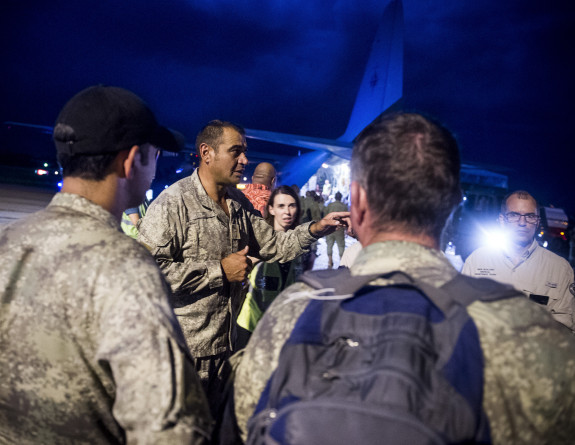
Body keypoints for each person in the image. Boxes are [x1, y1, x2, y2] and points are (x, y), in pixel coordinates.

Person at [229, 112, 575, 444]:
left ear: (359, 201)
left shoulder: (293, 314)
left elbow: (247, 422)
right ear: (452, 205)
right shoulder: (528, 332)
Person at [0, 86, 211, 444]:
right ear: (131, 161)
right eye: (154, 153)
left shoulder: (10, 241)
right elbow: (170, 430)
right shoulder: (125, 266)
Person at [137, 120, 349, 415]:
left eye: (244, 152)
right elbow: (144, 276)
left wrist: (316, 228)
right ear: (206, 153)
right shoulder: (173, 204)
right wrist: (219, 271)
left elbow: (275, 245)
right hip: (181, 358)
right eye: (236, 151)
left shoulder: (237, 203)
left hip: (225, 351)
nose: (244, 160)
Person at [462, 190, 575, 331]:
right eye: (514, 215)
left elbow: (566, 328)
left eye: (530, 216)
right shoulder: (478, 261)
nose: (522, 222)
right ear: (502, 220)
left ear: (537, 221)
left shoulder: (560, 269)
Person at [236, 185, 304, 347]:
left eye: (291, 205)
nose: (287, 212)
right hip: (251, 328)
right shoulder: (258, 242)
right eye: (281, 206)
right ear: (271, 209)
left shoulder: (301, 246)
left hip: (283, 329)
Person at [325, 191, 348, 268]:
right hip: (340, 228)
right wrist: (345, 229)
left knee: (329, 245)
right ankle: (341, 262)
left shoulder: (330, 205)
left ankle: (330, 262)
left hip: (330, 228)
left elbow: (325, 216)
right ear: (340, 197)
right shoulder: (344, 206)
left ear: (335, 197)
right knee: (341, 245)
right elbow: (346, 218)